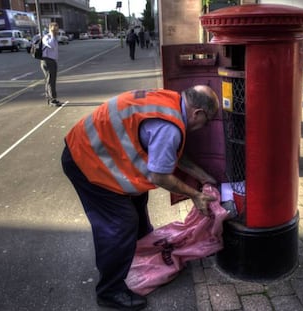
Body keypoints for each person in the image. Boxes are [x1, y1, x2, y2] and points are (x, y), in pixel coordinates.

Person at [61, 85, 219, 310]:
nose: (204, 127)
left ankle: (142, 249)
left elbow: (172, 154)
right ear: (197, 113)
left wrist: (205, 178)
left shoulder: (171, 101)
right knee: (120, 223)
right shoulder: (170, 127)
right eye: (207, 121)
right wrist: (195, 195)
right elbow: (160, 176)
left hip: (92, 147)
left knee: (137, 199)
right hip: (85, 160)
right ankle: (110, 291)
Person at [40, 22, 62, 107]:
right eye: (55, 29)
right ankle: (52, 100)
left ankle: (51, 98)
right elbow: (51, 45)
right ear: (51, 29)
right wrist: (52, 34)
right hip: (47, 61)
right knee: (50, 81)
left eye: (57, 29)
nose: (57, 31)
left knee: (51, 80)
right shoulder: (47, 37)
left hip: (52, 61)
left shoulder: (54, 37)